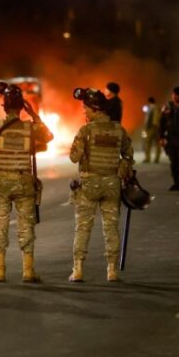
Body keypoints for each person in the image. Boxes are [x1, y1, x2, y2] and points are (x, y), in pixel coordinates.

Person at [0, 84, 53, 283]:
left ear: (3, 107)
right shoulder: (30, 128)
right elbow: (48, 136)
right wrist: (34, 115)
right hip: (24, 182)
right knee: (26, 226)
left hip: (1, 183)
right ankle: (28, 271)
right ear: (22, 107)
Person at [68, 88, 134, 282]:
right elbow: (128, 156)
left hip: (89, 185)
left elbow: (74, 157)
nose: (84, 113)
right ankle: (112, 270)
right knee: (111, 227)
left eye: (85, 109)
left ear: (95, 110)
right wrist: (120, 172)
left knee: (82, 228)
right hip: (112, 184)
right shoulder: (119, 129)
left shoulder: (86, 130)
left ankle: (78, 270)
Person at [142, 96, 161, 163]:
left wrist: (146, 128)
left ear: (149, 101)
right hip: (156, 128)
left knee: (147, 143)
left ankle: (147, 158)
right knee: (157, 144)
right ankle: (156, 158)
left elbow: (148, 120)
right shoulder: (156, 107)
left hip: (151, 128)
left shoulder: (150, 108)